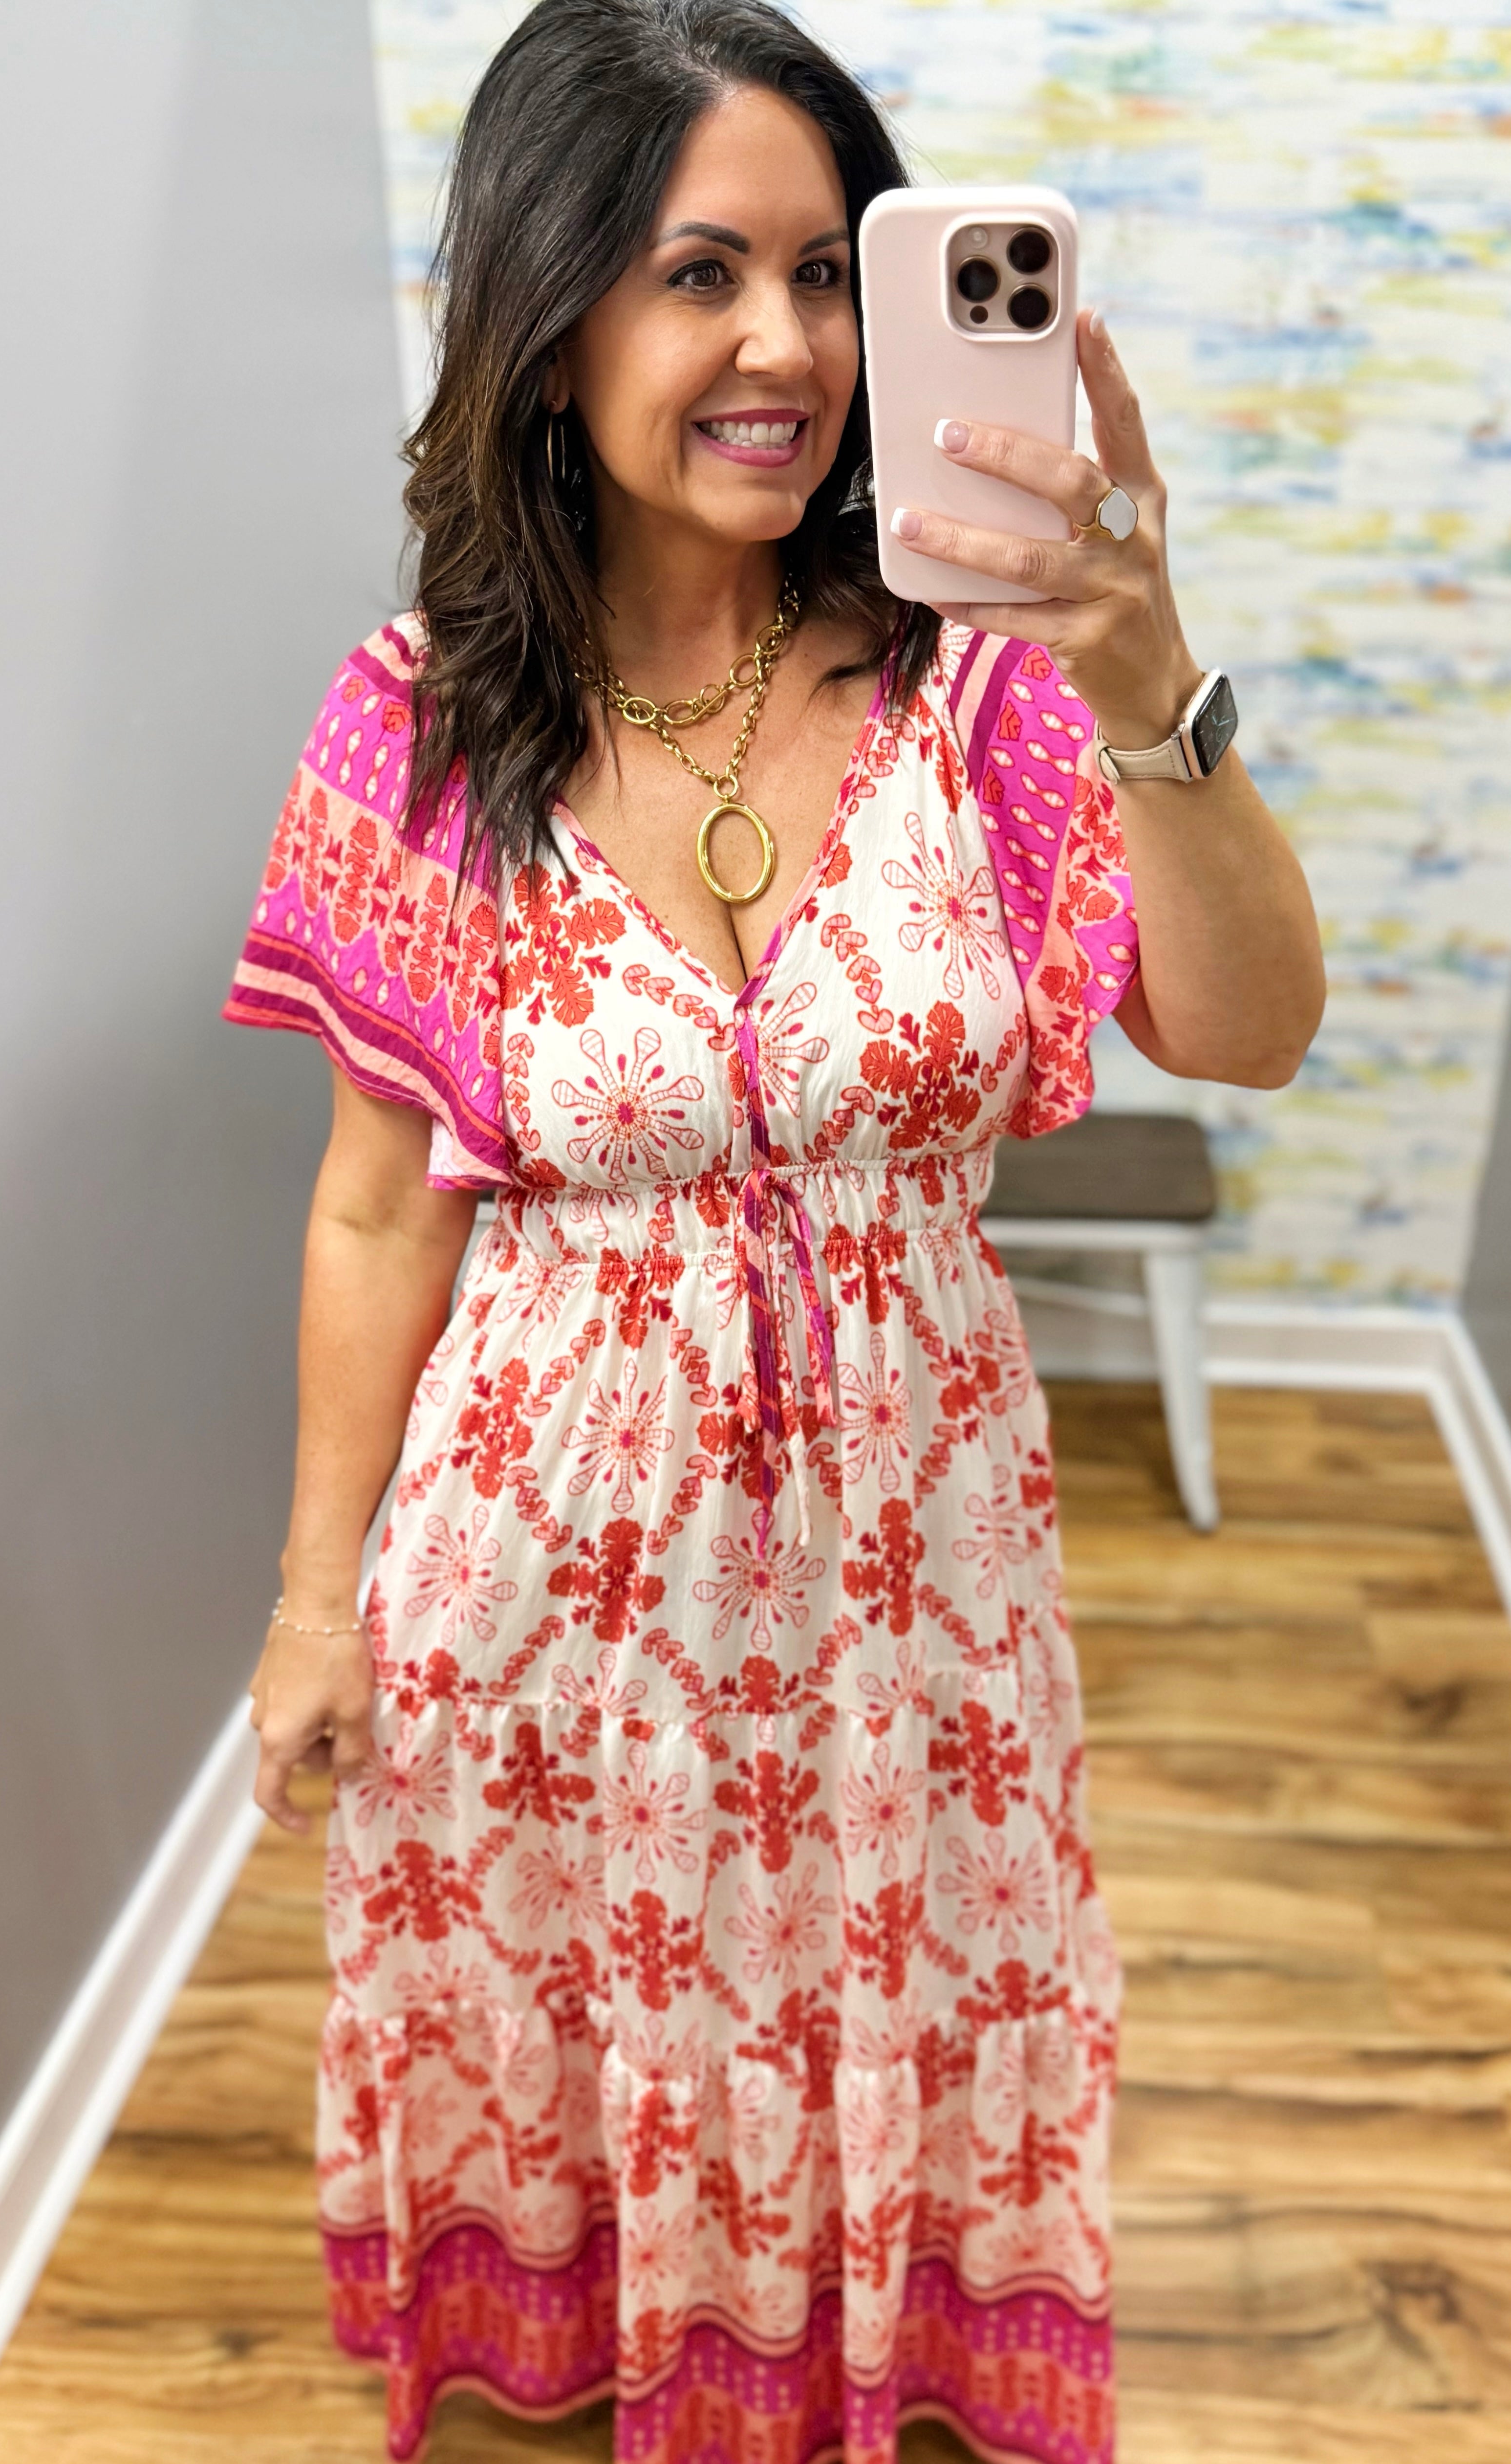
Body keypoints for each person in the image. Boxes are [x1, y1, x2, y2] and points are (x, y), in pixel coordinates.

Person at [228, 0, 1323, 2457]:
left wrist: (1142, 657)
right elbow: (377, 1200)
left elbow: (1248, 1032)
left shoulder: (988, 693)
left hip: (904, 1597)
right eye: (699, 272)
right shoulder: (417, 723)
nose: (791, 348)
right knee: (576, 2106)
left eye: (833, 276)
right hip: (538, 1617)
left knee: (905, 2055)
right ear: (547, 320)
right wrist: (318, 1604)